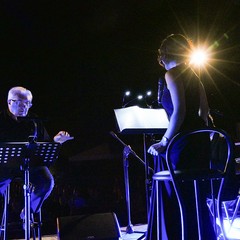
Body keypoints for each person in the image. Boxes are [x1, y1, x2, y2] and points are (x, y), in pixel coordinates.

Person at [147, 34, 216, 239]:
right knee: (193, 191)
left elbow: (180, 111)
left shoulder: (172, 74)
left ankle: (172, 232)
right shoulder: (195, 76)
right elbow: (204, 112)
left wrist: (164, 141)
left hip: (183, 141)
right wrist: (204, 136)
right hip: (199, 141)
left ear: (164, 54)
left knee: (162, 162)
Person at [0, 86, 74, 227]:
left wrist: (56, 142)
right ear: (9, 102)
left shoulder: (34, 121)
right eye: (20, 103)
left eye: (27, 103)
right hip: (4, 166)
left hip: (30, 165)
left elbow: (45, 146)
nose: (24, 107)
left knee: (47, 181)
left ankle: (28, 211)